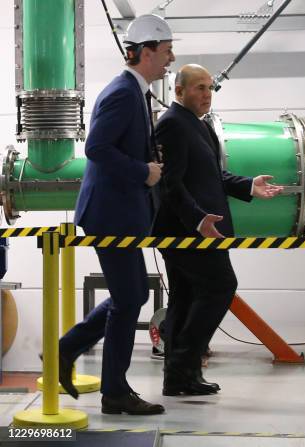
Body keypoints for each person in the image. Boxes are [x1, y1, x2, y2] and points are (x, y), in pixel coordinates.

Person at [57, 14, 175, 415]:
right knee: (130, 300)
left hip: (119, 212)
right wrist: (143, 171)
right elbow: (97, 149)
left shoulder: (134, 92)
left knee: (133, 295)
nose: (170, 59)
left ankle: (68, 349)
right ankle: (114, 392)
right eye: (165, 51)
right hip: (111, 214)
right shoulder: (124, 92)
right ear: (145, 52)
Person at [152, 64, 283, 395]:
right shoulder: (171, 125)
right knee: (221, 287)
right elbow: (171, 183)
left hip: (198, 229)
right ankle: (183, 364)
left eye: (209, 87)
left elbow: (211, 176)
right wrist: (197, 219)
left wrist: (248, 186)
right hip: (186, 231)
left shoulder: (199, 126)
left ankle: (180, 376)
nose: (207, 94)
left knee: (185, 297)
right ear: (179, 91)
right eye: (199, 87)